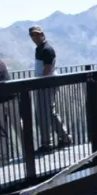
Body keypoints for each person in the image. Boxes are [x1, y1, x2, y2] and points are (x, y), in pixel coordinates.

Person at [28, 26, 73, 154]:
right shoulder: (40, 49)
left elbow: (47, 70)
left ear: (42, 34)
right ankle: (65, 138)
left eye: (37, 34)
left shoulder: (47, 49)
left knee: (43, 114)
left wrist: (40, 82)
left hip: (46, 84)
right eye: (33, 35)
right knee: (48, 113)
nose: (35, 37)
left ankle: (47, 144)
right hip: (44, 84)